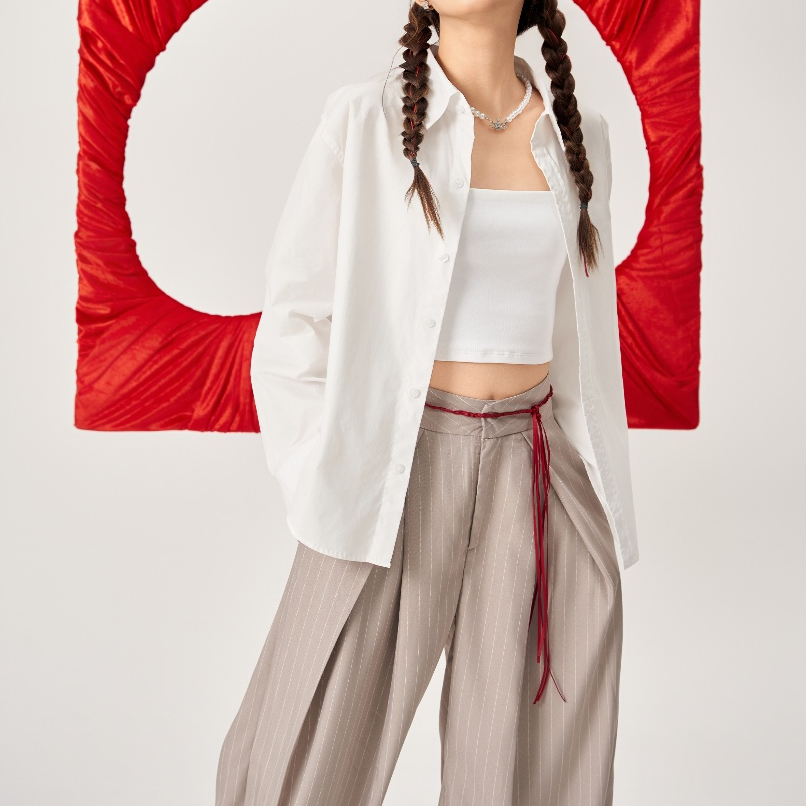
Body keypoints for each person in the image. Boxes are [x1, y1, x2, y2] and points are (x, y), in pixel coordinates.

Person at [216, 1, 639, 804]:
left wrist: (588, 500)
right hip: (394, 467)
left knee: (531, 777)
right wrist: (322, 479)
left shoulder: (581, 141)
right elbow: (296, 321)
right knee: (300, 762)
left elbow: (578, 333)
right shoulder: (365, 122)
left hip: (537, 471)